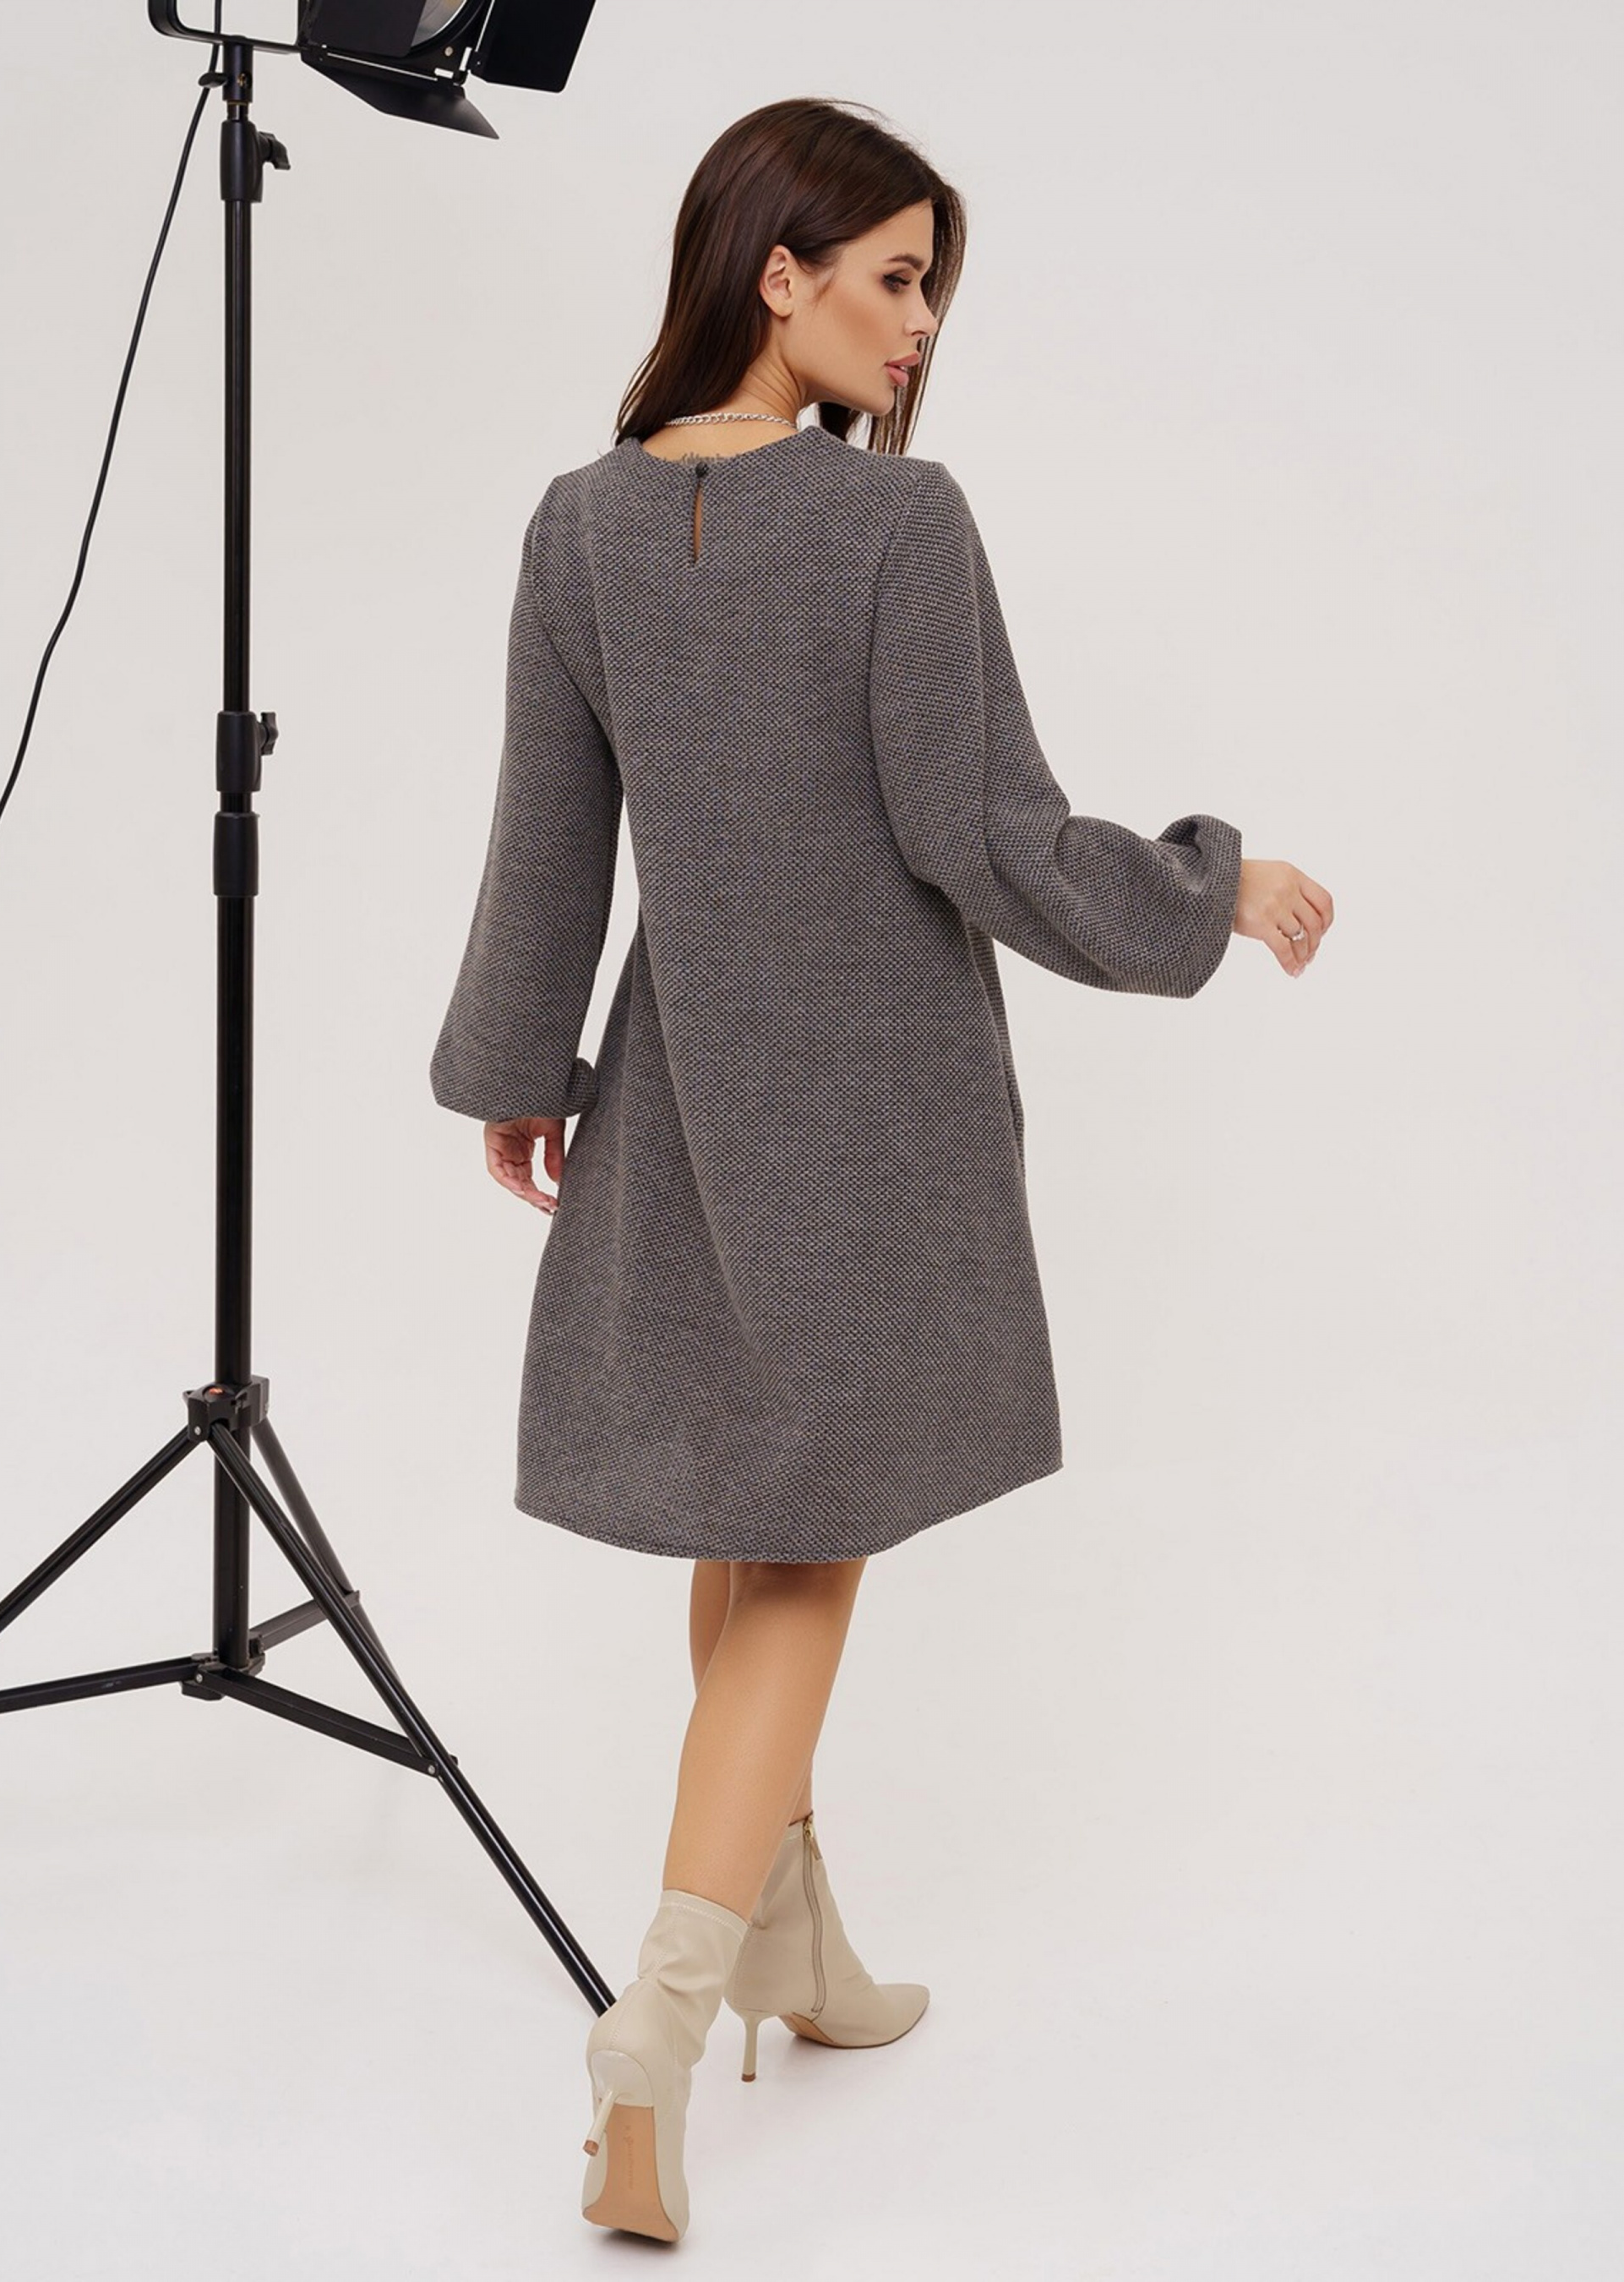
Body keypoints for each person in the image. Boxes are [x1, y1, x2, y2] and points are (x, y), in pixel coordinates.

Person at [428, 96, 1332, 2246]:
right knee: (809, 1547)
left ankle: (794, 1949)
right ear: (780, 274)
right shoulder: (893, 526)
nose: (921, 328)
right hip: (868, 1111)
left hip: (677, 1097)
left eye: (932, 288)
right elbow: (983, 835)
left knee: (746, 1515)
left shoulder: (576, 524)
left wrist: (517, 1070)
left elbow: (546, 837)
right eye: (896, 278)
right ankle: (655, 2021)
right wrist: (1206, 891)